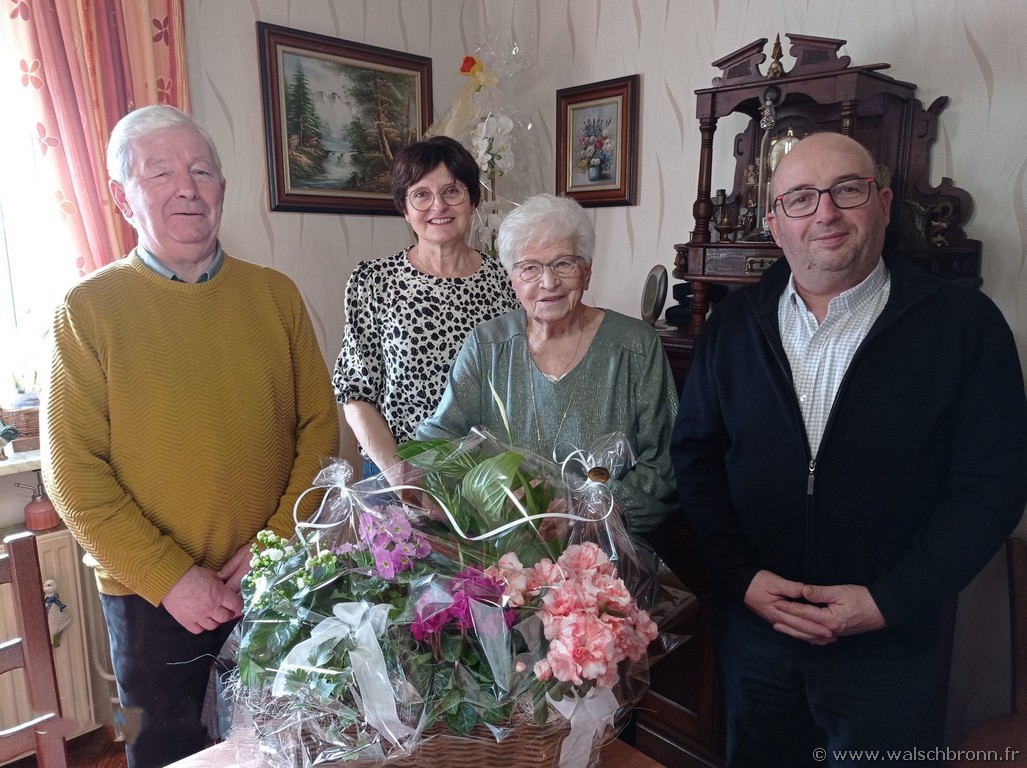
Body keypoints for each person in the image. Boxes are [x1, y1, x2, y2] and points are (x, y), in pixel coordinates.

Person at [671, 132, 1027, 766]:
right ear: (775, 223)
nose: (826, 213)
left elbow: (991, 486)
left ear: (884, 204)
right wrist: (739, 579)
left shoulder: (964, 326)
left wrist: (892, 600)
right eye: (801, 199)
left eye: (847, 190)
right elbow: (698, 459)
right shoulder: (732, 324)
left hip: (888, 644)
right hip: (757, 633)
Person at [41, 105, 340, 768]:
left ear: (222, 190)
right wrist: (172, 577)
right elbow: (73, 475)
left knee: (293, 743)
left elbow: (320, 427)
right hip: (148, 599)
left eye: (202, 170)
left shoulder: (276, 295)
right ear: (122, 198)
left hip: (273, 575)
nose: (187, 186)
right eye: (161, 172)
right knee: (159, 748)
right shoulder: (86, 312)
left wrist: (276, 542)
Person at [417, 193, 678, 534]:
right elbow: (441, 438)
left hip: (606, 551)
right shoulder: (487, 345)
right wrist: (477, 495)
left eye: (563, 264)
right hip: (502, 544)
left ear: (586, 271)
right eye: (529, 268)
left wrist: (589, 510)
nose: (549, 282)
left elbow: (664, 465)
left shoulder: (636, 346)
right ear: (513, 281)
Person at [333, 136, 520, 479]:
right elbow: (356, 394)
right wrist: (400, 475)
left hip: (484, 477)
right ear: (404, 208)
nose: (439, 206)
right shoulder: (374, 280)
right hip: (395, 469)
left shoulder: (507, 282)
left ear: (473, 201)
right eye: (421, 194)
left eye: (452, 191)